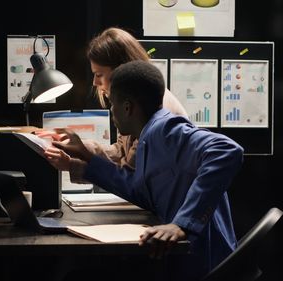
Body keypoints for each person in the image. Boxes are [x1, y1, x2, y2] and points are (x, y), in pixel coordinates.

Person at [46, 61, 244, 281]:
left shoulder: (165, 129)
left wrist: (182, 225)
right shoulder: (148, 135)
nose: (111, 111)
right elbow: (137, 190)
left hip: (202, 264)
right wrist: (78, 163)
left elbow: (227, 150)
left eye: (112, 104)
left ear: (128, 107)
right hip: (183, 261)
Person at [43, 27, 187, 172]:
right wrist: (77, 146)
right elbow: (120, 151)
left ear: (121, 70)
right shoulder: (133, 100)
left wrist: (73, 164)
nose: (94, 83)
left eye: (99, 74)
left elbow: (129, 177)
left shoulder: (149, 107)